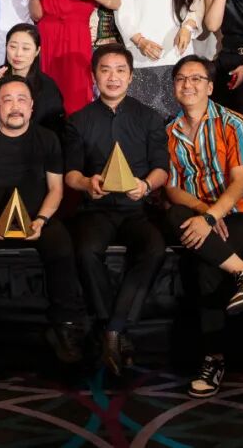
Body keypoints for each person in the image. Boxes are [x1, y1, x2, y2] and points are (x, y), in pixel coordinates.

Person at [162, 55, 243, 398]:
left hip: (242, 211)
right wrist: (203, 212)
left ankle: (214, 359)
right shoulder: (169, 131)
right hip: (203, 212)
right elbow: (171, 188)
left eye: (196, 79)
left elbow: (241, 180)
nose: (188, 85)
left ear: (210, 87)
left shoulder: (234, 122)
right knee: (174, 213)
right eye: (181, 79)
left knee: (206, 265)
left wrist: (213, 217)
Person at [0, 74, 83, 368]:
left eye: (21, 100)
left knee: (62, 244)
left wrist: (41, 219)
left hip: (36, 219)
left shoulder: (48, 139)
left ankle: (64, 326)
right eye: (7, 100)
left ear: (32, 106)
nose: (15, 107)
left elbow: (56, 189)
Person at [64, 44, 169, 375]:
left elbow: (162, 169)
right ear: (94, 75)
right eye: (105, 70)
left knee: (154, 248)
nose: (113, 77)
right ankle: (116, 330)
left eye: (120, 70)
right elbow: (70, 174)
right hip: (96, 209)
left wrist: (146, 185)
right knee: (85, 250)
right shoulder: (78, 120)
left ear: (131, 76)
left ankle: (112, 329)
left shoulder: (149, 117)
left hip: (136, 208)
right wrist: (87, 183)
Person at [0, 23, 65, 137]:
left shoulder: (47, 87)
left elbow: (53, 131)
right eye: (13, 47)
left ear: (37, 51)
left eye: (25, 48)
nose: (18, 54)